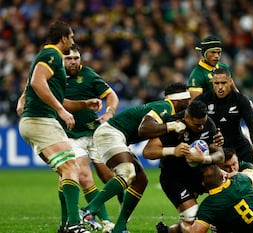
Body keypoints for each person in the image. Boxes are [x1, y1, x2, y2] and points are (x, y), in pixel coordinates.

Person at [17, 21, 101, 233]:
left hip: (35, 121)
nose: (72, 42)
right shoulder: (52, 54)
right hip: (41, 120)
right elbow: (37, 83)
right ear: (63, 38)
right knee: (72, 167)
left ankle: (66, 225)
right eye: (71, 37)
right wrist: (61, 112)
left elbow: (43, 89)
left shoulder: (46, 57)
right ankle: (74, 224)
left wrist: (83, 104)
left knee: (66, 171)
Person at [80, 83, 191, 233]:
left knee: (141, 181)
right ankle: (88, 210)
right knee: (127, 172)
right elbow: (144, 129)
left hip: (119, 137)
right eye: (187, 99)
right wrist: (171, 126)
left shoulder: (168, 110)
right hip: (110, 133)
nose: (190, 102)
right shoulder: (164, 107)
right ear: (178, 100)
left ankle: (119, 228)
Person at [58, 44, 120, 232]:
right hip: (69, 137)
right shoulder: (53, 77)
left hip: (94, 134)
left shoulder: (89, 74)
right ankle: (107, 223)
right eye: (69, 58)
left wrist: (109, 112)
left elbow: (111, 96)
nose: (74, 62)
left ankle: (66, 223)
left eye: (76, 58)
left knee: (109, 177)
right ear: (61, 60)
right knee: (84, 176)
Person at [142, 100, 225, 233]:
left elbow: (220, 156)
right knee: (192, 218)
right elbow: (147, 151)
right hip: (174, 177)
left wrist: (203, 158)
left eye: (203, 123)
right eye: (197, 125)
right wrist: (173, 151)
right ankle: (168, 231)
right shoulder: (174, 125)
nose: (201, 128)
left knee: (226, 193)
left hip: (199, 174)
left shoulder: (208, 123)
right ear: (186, 118)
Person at [194, 68, 253, 189]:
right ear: (212, 83)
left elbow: (252, 125)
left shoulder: (241, 100)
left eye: (223, 83)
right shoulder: (203, 100)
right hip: (217, 150)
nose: (220, 87)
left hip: (240, 145)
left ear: (230, 82)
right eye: (216, 83)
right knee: (206, 185)